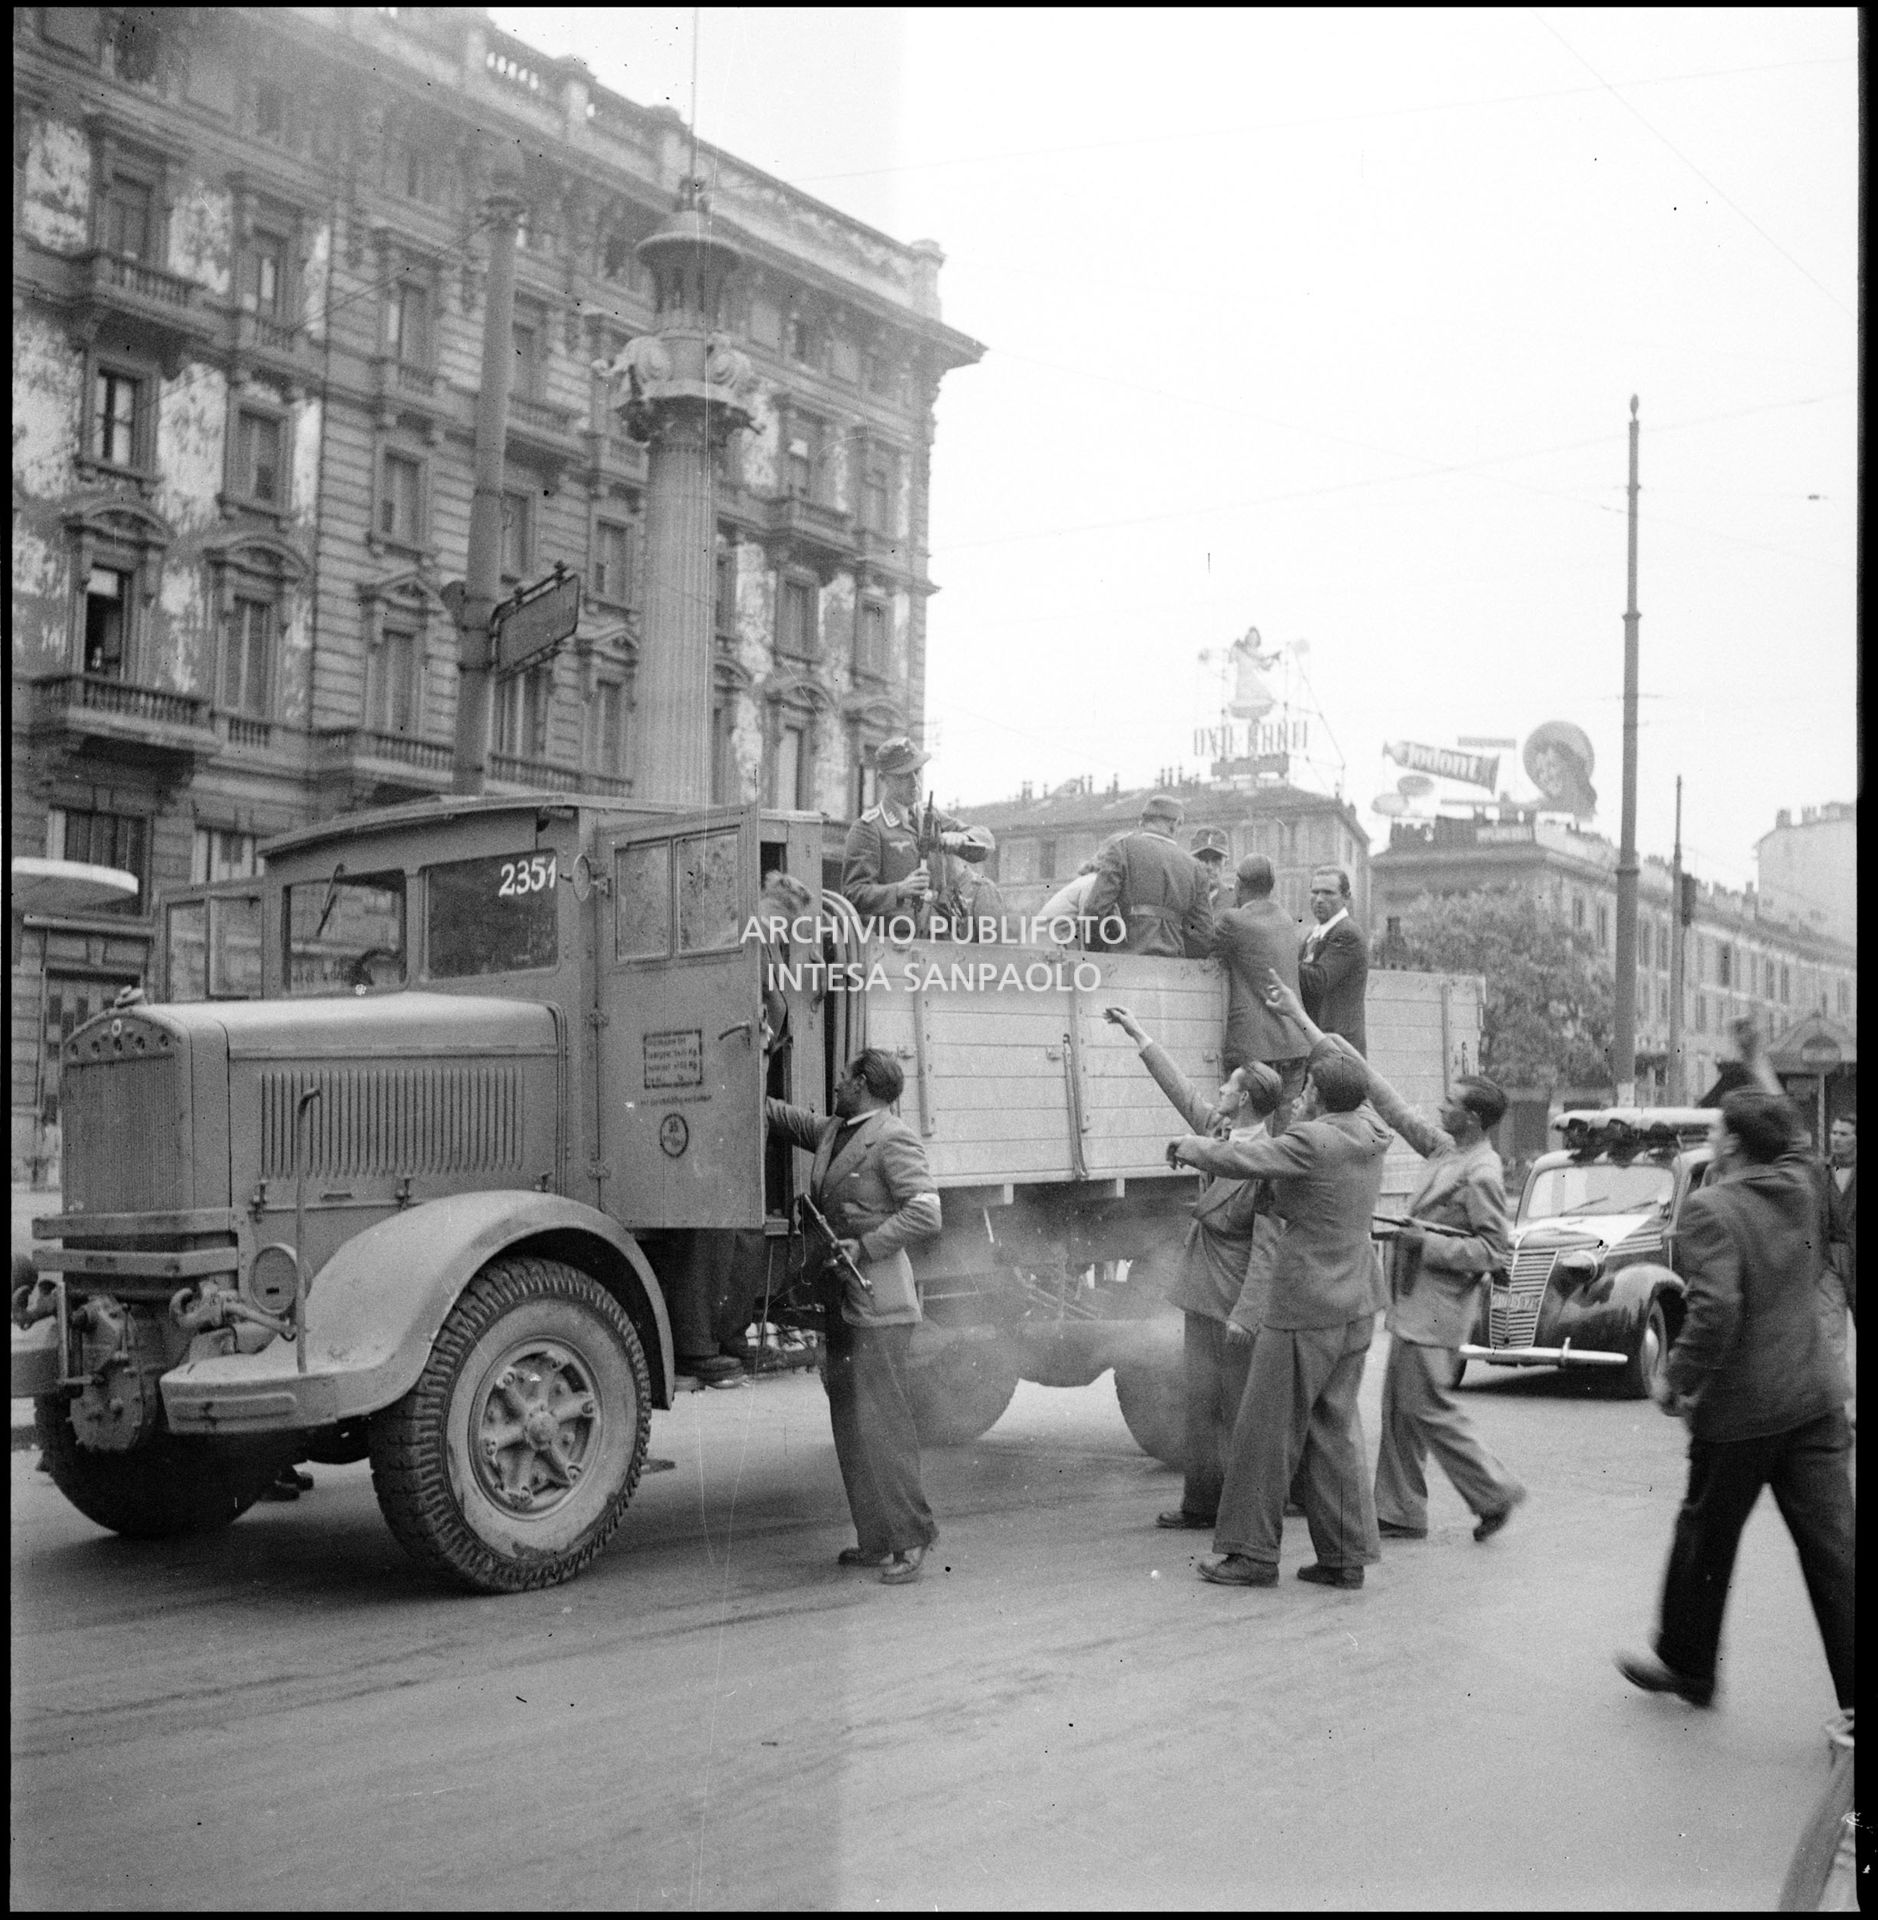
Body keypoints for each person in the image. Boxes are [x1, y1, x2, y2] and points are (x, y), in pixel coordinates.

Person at [1616, 1046, 1855, 1711]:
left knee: (1704, 1540)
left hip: (1740, 1415)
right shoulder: (1804, 1184)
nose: (1713, 1138)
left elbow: (1717, 1310)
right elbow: (1794, 1136)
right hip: (1815, 1401)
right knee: (1836, 1557)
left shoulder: (1711, 1209)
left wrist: (1674, 1381)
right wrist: (1755, 1062)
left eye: (1720, 1129)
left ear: (1734, 1145)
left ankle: (1689, 1665)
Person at [1263, 975, 1526, 1542]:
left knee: (1424, 1407)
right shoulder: (1447, 1149)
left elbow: (1492, 1251)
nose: (1439, 1106)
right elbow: (1384, 1097)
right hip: (1416, 1303)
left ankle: (1494, 1490)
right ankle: (1401, 1510)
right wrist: (1305, 1024)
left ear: (1472, 1119)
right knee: (1401, 1410)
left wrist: (1425, 1243)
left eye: (1450, 1103)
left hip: (1438, 1311)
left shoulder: (1481, 1172)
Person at [1171, 1043, 1392, 1590]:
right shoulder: (1371, 1131)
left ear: (1318, 1094)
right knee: (1334, 1432)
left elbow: (1244, 1159)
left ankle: (1250, 1555)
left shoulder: (1311, 1140)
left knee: (1264, 1432)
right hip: (1357, 1302)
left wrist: (1189, 1146)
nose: (1300, 1095)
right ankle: (1344, 1557)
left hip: (1305, 1305)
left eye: (1308, 1087)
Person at [768, 1049, 943, 1585]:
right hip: (844, 1301)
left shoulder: (893, 1137)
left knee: (884, 1424)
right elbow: (778, 1115)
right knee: (850, 1422)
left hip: (880, 1303)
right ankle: (876, 1540)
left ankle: (912, 1538)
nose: (837, 1084)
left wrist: (865, 1246)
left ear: (863, 1083)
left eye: (845, 1076)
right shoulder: (834, 1131)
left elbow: (926, 1212)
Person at [1105, 1005, 1283, 1531]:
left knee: (1237, 1409)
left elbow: (1267, 1250)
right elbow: (1181, 1092)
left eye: (1228, 1086)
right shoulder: (1220, 1133)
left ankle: (1243, 1512)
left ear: (1244, 1099)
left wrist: (1247, 1314)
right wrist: (1140, 1035)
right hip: (1202, 1291)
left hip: (1231, 1301)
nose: (1219, 1091)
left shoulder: (1270, 1159)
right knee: (1200, 1401)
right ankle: (1201, 1503)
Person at [841, 736, 994, 933]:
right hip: (896, 939)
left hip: (940, 934)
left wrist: (963, 839)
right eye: (903, 776)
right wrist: (898, 890)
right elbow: (853, 893)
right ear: (883, 779)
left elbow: (986, 840)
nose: (914, 782)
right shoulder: (869, 828)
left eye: (916, 771)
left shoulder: (932, 817)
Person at [1211, 855, 1308, 1114]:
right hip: (1294, 1045)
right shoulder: (1287, 920)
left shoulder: (1234, 920)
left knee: (1249, 1132)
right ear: (1271, 887)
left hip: (1256, 1049)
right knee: (1285, 1133)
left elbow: (1202, 945)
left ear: (1239, 885)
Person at [1084, 793, 1214, 957]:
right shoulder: (1195, 868)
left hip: (1123, 960)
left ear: (1143, 821)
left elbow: (1094, 909)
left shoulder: (1122, 849)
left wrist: (1098, 950)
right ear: (1175, 824)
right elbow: (1203, 933)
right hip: (1174, 964)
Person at [1298, 865, 1368, 1056]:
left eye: (1328, 893)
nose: (1319, 899)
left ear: (1346, 898)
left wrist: (1281, 959)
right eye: (1315, 892)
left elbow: (1319, 980)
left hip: (1341, 1048)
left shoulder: (1347, 933)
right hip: (1321, 1043)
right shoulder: (1314, 934)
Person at [1038, 859, 1102, 948]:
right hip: (1045, 939)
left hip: (1047, 935)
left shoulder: (1085, 879)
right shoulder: (1093, 881)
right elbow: (1085, 917)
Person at [1190, 828, 1230, 909]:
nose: (1209, 867)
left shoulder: (1236, 902)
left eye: (1216, 859)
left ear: (1226, 863)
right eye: (1202, 859)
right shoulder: (1182, 901)